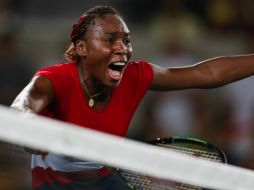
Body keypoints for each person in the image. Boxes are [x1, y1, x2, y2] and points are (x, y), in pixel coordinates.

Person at [10, 5, 254, 190]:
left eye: (126, 40)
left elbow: (206, 73)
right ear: (81, 48)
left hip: (106, 182)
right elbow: (24, 105)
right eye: (109, 40)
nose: (122, 48)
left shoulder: (134, 76)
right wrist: (32, 130)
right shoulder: (56, 79)